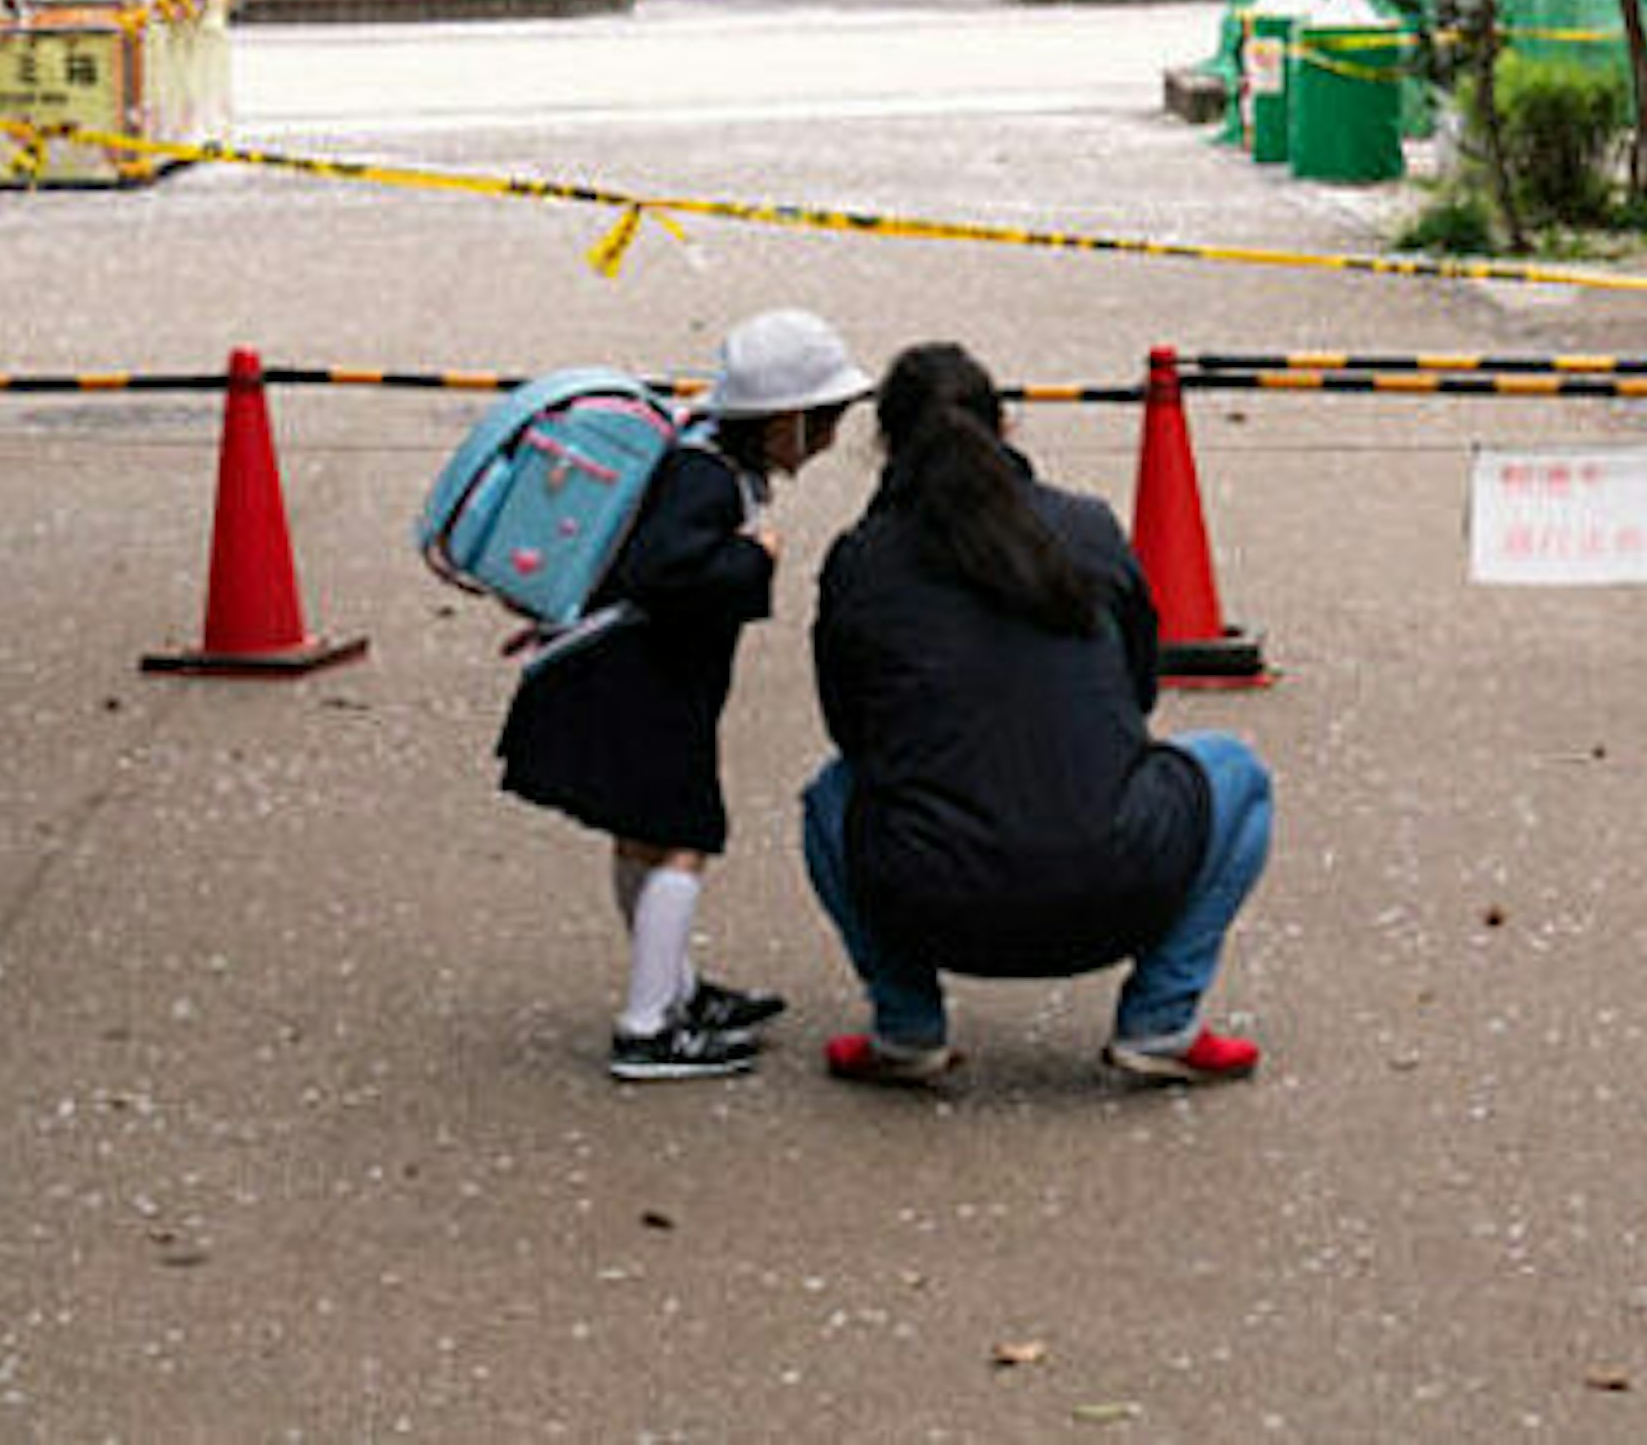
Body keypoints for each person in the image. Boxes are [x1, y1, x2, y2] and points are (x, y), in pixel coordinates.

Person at [801, 342, 1273, 1088]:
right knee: (1238, 773)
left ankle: (906, 1024)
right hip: (1119, 882)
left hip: (931, 896)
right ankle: (1160, 1016)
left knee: (830, 797)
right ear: (1007, 426)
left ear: (885, 445)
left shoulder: (862, 558)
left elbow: (850, 730)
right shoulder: (1086, 528)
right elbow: (1137, 694)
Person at [498, 307, 871, 1081]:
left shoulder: (697, 453)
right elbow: (670, 575)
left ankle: (673, 988)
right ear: (782, 423)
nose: (832, 437)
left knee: (646, 833)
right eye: (824, 421)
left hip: (615, 673)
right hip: (638, 680)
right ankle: (646, 1028)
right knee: (682, 839)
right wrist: (753, 557)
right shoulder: (705, 478)